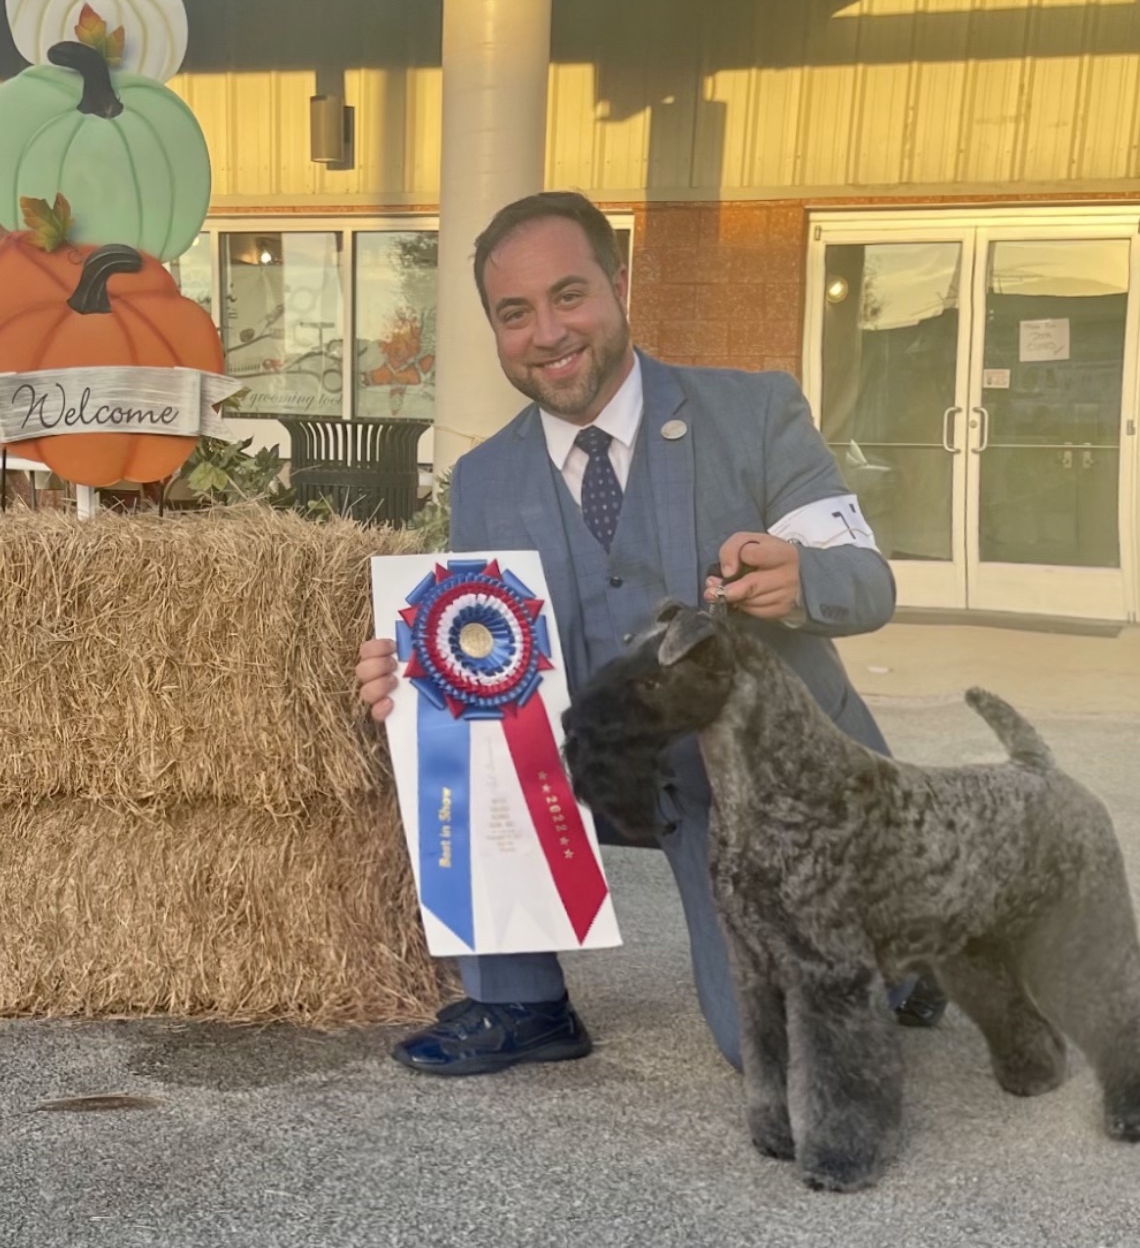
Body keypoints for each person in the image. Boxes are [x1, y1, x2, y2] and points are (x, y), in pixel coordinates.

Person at [355, 191, 945, 1076]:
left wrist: (802, 579)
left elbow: (867, 583)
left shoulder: (755, 412)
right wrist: (417, 679)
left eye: (568, 295)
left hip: (764, 783)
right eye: (514, 313)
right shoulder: (483, 478)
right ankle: (520, 1002)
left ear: (619, 284)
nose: (547, 333)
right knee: (456, 735)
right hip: (615, 769)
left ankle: (906, 948)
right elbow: (497, 661)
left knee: (777, 1053)